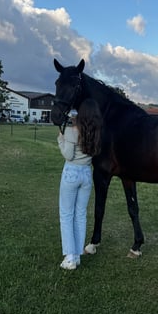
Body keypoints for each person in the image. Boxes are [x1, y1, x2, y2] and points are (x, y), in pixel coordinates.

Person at [56, 98, 103, 270]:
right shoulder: (96, 131)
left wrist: (61, 140)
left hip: (72, 173)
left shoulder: (72, 131)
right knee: (80, 215)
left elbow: (68, 155)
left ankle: (69, 258)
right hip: (86, 174)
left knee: (67, 215)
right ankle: (76, 255)